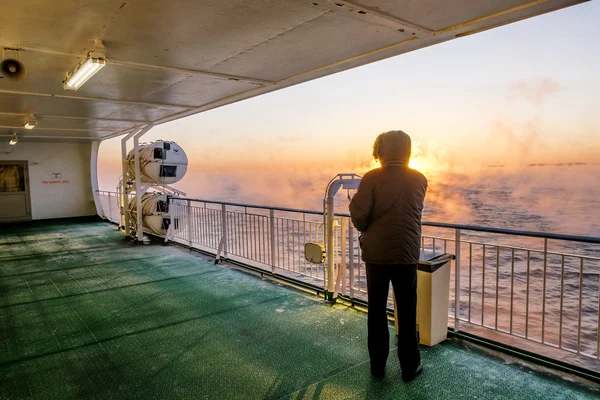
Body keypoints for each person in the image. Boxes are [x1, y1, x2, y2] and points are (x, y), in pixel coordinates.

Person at [349, 130, 428, 382]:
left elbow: (360, 219)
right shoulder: (420, 179)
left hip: (377, 256)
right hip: (406, 255)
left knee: (377, 311)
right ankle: (409, 367)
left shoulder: (371, 178)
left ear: (380, 151)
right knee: (407, 312)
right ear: (407, 150)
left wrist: (355, 206)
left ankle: (378, 366)